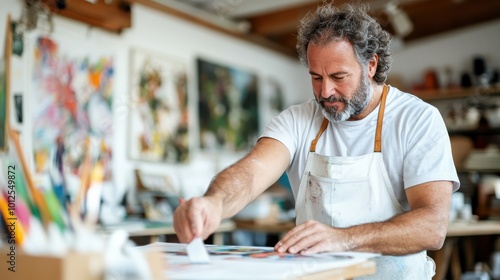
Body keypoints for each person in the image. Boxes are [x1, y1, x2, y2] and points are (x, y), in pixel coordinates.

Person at [174, 3, 459, 279]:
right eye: (316, 77)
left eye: (338, 76)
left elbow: (432, 226)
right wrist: (213, 203)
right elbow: (251, 172)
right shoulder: (299, 119)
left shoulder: (417, 120)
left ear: (371, 65)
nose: (326, 91)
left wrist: (343, 239)